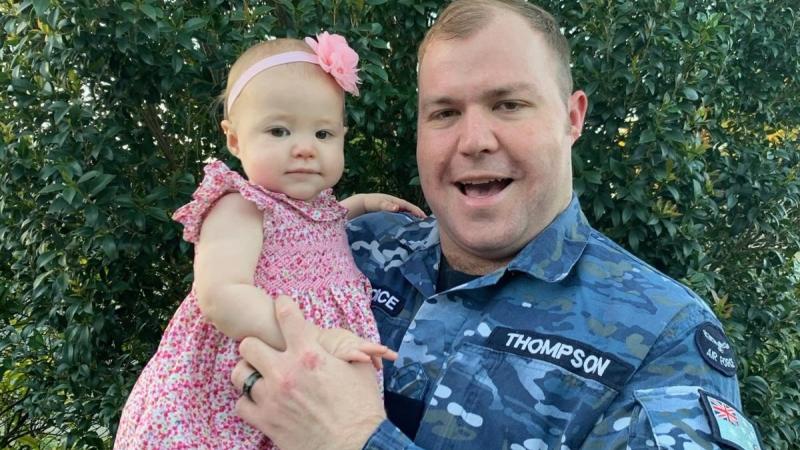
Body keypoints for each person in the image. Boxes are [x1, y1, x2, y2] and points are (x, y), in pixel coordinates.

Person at [230, 1, 763, 449]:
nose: (474, 140)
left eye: (508, 104)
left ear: (572, 117)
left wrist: (354, 437)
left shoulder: (665, 337)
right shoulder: (355, 250)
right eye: (444, 113)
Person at [115, 33, 424, 449]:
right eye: (279, 131)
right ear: (235, 139)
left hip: (310, 400)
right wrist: (316, 338)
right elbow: (221, 295)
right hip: (233, 396)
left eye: (323, 134)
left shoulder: (320, 209)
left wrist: (361, 203)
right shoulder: (239, 207)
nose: (304, 149)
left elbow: (317, 230)